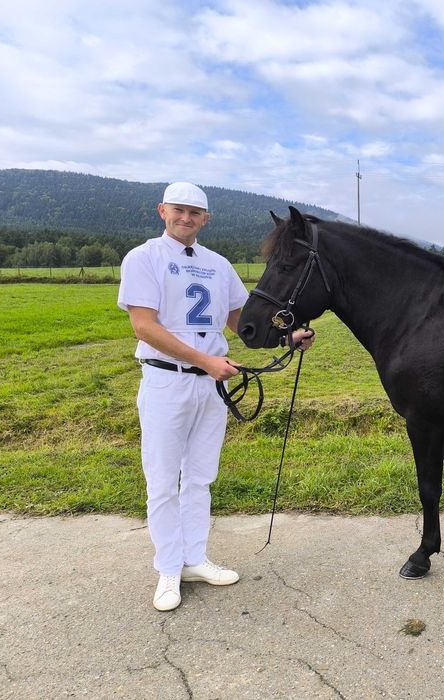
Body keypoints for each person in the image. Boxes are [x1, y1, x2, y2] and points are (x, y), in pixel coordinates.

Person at [118, 182, 313, 611]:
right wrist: (205, 361)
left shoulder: (217, 264)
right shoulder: (144, 258)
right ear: (162, 211)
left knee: (201, 476)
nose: (186, 218)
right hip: (168, 381)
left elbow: (239, 321)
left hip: (212, 385)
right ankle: (168, 568)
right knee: (164, 479)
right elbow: (145, 326)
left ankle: (195, 558)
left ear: (206, 220)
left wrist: (287, 337)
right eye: (179, 210)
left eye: (195, 213)